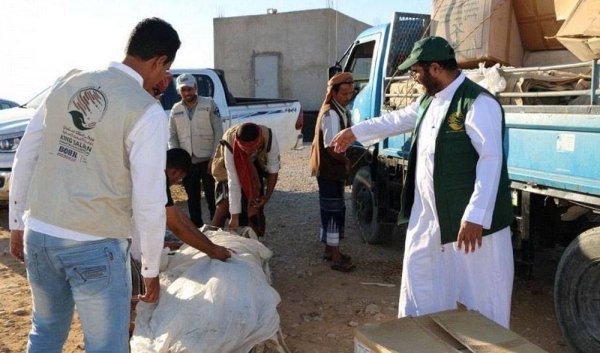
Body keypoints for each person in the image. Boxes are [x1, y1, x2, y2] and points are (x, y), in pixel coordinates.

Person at [9, 17, 180, 352]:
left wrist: (17, 224)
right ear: (160, 61)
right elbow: (149, 199)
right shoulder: (146, 111)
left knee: (44, 332)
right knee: (106, 346)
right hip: (94, 244)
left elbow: (26, 153)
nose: (163, 80)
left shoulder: (70, 81)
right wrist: (150, 266)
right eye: (165, 70)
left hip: (40, 234)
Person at [330, 36, 514, 328]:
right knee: (422, 276)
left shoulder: (477, 103)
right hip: (430, 216)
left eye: (416, 70)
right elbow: (394, 120)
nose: (413, 77)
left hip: (470, 220)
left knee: (481, 289)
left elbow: (491, 160)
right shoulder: (429, 101)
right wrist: (354, 131)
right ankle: (421, 335)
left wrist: (476, 215)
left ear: (436, 68)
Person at [308, 72, 356, 272]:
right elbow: (331, 147)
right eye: (343, 93)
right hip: (329, 169)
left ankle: (329, 249)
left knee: (332, 209)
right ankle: (336, 256)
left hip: (331, 170)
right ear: (333, 93)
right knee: (333, 211)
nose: (347, 97)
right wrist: (345, 161)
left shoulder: (339, 110)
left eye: (350, 93)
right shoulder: (331, 113)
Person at [168, 73, 223, 227]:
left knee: (213, 198)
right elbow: (172, 136)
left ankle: (216, 228)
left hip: (207, 160)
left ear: (195, 88)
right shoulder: (176, 109)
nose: (187, 93)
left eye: (189, 89)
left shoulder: (209, 104)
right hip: (188, 163)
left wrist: (214, 157)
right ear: (179, 91)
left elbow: (219, 132)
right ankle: (197, 230)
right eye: (183, 90)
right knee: (193, 199)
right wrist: (177, 161)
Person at [211, 123, 280, 237]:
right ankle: (210, 243)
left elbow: (273, 170)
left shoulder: (269, 137)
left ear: (260, 141)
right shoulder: (230, 142)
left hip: (255, 168)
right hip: (228, 168)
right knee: (223, 206)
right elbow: (233, 182)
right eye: (245, 149)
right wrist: (234, 217)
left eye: (251, 150)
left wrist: (266, 197)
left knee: (254, 205)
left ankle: (252, 242)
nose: (248, 153)